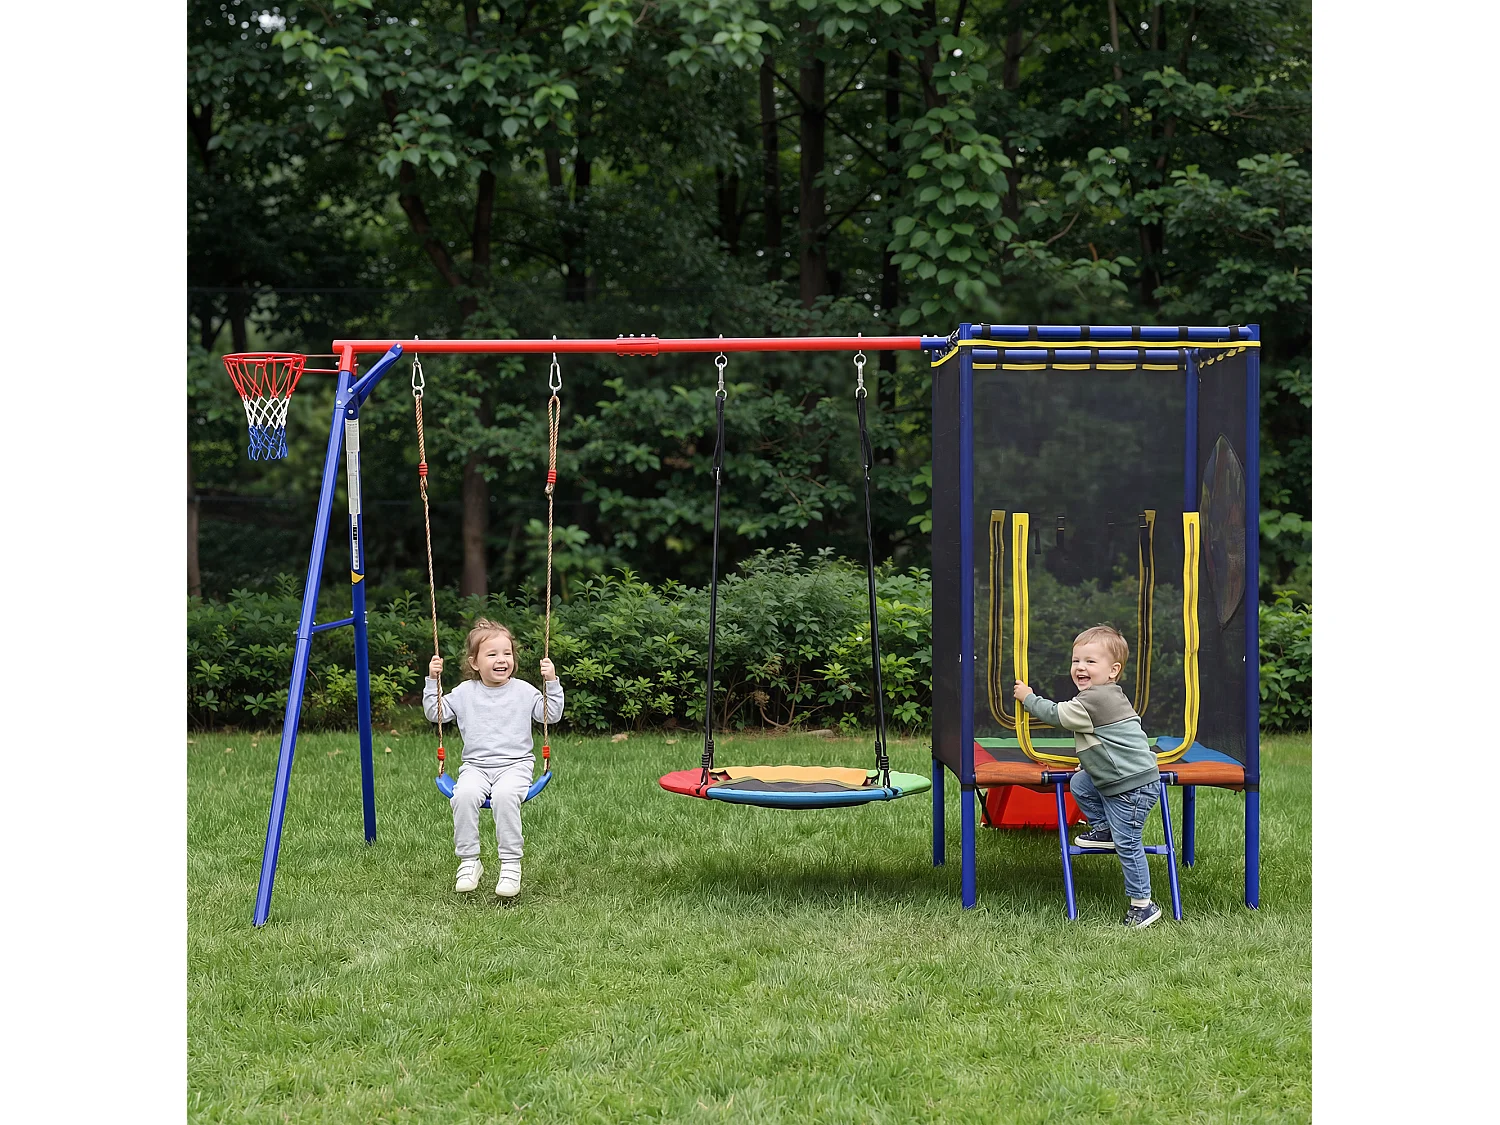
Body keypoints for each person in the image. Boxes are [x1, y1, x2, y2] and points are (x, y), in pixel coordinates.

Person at [1012, 625, 1164, 928]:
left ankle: (1143, 903)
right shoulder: (1104, 695)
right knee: (1080, 782)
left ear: (1113, 670)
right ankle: (1104, 829)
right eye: (1076, 661)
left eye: (1091, 662)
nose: (1081, 667)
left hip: (1132, 787)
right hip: (1121, 778)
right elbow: (1107, 741)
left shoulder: (1095, 699)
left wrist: (1028, 698)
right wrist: (1092, 764)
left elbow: (1057, 715)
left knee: (1129, 844)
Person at [425, 618, 564, 899]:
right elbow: (436, 714)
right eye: (492, 654)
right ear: (475, 662)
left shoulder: (524, 690)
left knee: (504, 796)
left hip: (515, 766)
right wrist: (432, 680)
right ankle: (469, 861)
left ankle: (511, 865)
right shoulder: (465, 693)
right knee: (462, 795)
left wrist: (551, 681)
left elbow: (550, 715)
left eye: (507, 653)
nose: (502, 660)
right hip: (476, 767)